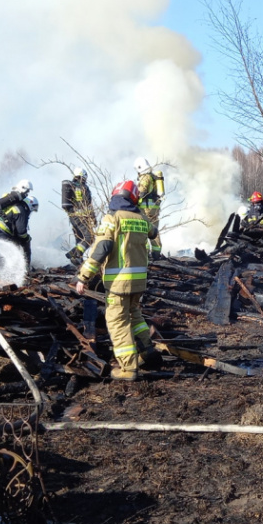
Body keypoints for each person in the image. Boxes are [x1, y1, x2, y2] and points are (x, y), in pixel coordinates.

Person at [74, 180, 161, 380]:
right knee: (134, 315)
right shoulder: (141, 217)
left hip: (119, 283)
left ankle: (129, 368)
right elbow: (155, 234)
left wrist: (83, 276)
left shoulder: (112, 218)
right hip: (139, 281)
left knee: (117, 322)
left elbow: (101, 248)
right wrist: (155, 252)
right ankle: (147, 351)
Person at [0, 182, 37, 268]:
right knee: (7, 256)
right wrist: (27, 239)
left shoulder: (13, 206)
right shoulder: (21, 210)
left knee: (2, 253)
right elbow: (21, 233)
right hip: (1, 232)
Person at [61, 168, 93, 264]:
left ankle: (77, 260)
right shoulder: (83, 188)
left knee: (79, 238)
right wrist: (93, 218)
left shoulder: (72, 186)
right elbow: (87, 204)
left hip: (72, 217)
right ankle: (73, 254)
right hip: (81, 217)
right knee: (89, 238)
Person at [135, 158, 164, 258]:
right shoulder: (152, 177)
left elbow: (141, 192)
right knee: (154, 231)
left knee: (143, 230)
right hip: (154, 209)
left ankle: (145, 255)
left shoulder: (145, 177)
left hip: (146, 210)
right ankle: (156, 254)